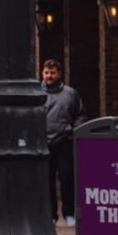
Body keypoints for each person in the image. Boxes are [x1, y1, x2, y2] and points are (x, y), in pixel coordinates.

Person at [41, 59, 84, 225]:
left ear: (59, 74)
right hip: (43, 142)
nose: (49, 76)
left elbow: (80, 114)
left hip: (64, 141)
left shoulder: (70, 93)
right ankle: (51, 215)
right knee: (47, 180)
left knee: (67, 178)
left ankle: (69, 213)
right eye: (46, 72)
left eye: (52, 73)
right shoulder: (36, 93)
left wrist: (74, 130)